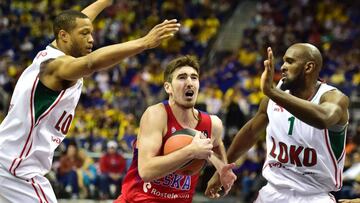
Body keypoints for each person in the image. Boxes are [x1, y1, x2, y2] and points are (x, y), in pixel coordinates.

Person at [0, 0, 181, 202]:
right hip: (16, 168)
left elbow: (77, 21)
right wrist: (144, 42)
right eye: (85, 34)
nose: (91, 39)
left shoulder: (51, 52)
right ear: (63, 36)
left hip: (8, 159)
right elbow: (91, 62)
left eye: (91, 33)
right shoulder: (56, 66)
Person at [206, 43, 349, 203]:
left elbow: (324, 118)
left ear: (308, 67)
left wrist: (272, 92)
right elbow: (251, 132)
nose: (283, 67)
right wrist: (221, 170)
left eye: (290, 61)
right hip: (272, 193)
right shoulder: (275, 96)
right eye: (283, 61)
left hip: (314, 196)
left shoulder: (333, 97)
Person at [115, 55, 237, 203]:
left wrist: (220, 172)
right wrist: (190, 151)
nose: (189, 82)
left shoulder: (213, 124)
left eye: (194, 77)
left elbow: (216, 148)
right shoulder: (156, 115)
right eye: (182, 77)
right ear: (168, 87)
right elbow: (146, 171)